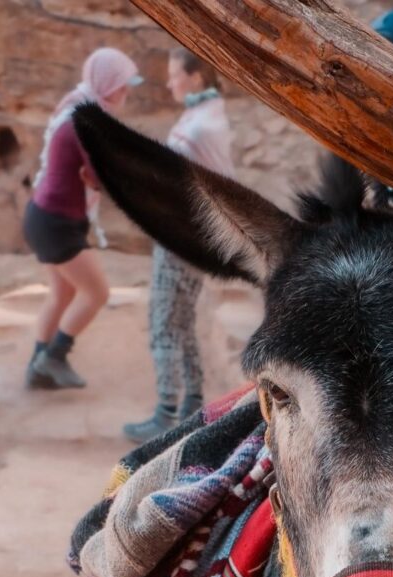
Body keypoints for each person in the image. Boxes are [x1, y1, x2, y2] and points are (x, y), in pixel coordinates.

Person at [122, 48, 235, 444]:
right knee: (182, 321)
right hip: (195, 238)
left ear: (197, 77)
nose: (169, 82)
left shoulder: (199, 126)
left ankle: (166, 414)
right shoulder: (209, 114)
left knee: (163, 323)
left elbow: (174, 185)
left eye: (175, 75)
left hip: (179, 238)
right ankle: (192, 405)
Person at [24, 48, 142, 391]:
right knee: (96, 293)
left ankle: (37, 370)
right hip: (56, 223)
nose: (126, 92)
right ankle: (53, 358)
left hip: (45, 217)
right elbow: (99, 176)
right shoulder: (86, 120)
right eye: (122, 85)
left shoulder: (78, 105)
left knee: (60, 294)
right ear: (106, 84)